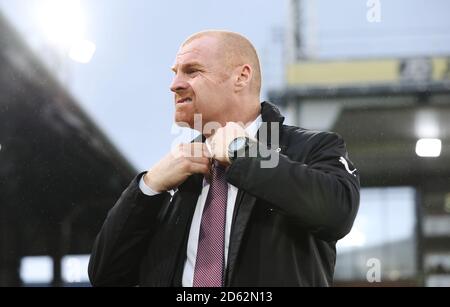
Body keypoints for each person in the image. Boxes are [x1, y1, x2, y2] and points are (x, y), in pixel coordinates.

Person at [88, 30, 360, 287]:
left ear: (241, 77)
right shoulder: (174, 175)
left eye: (192, 71)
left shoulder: (311, 147)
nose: (174, 85)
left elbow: (337, 212)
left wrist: (243, 153)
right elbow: (106, 275)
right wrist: (148, 187)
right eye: (174, 74)